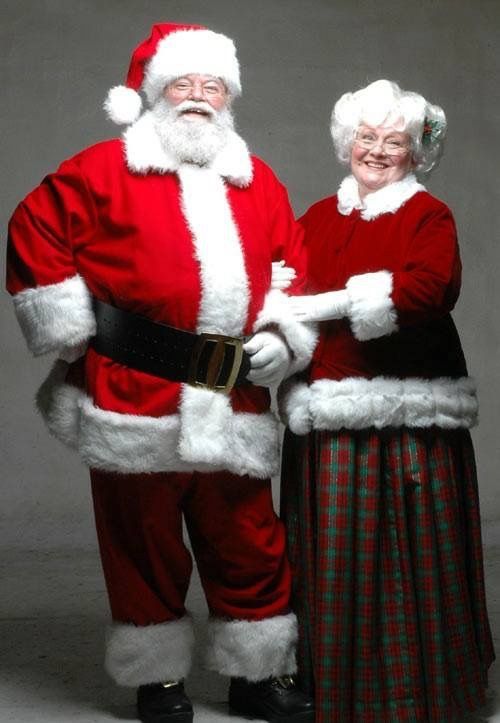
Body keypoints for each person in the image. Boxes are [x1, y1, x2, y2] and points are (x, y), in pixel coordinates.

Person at [6, 22, 317, 723]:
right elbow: (34, 227)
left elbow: (290, 266)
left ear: (229, 96)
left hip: (231, 392)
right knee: (140, 537)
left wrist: (281, 332)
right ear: (152, 93)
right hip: (134, 388)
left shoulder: (257, 178)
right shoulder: (99, 169)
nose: (199, 97)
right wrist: (67, 323)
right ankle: (160, 681)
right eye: (184, 83)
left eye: (214, 86)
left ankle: (258, 674)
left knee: (247, 534)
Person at [279, 79, 495, 722]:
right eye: (366, 138)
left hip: (409, 407)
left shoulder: (430, 215)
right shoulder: (317, 216)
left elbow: (432, 288)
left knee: (408, 558)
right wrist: (282, 331)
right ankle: (331, 679)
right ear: (348, 142)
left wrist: (335, 303)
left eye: (393, 142)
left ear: (413, 152)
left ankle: (413, 689)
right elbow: (283, 286)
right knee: (330, 555)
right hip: (323, 401)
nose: (376, 151)